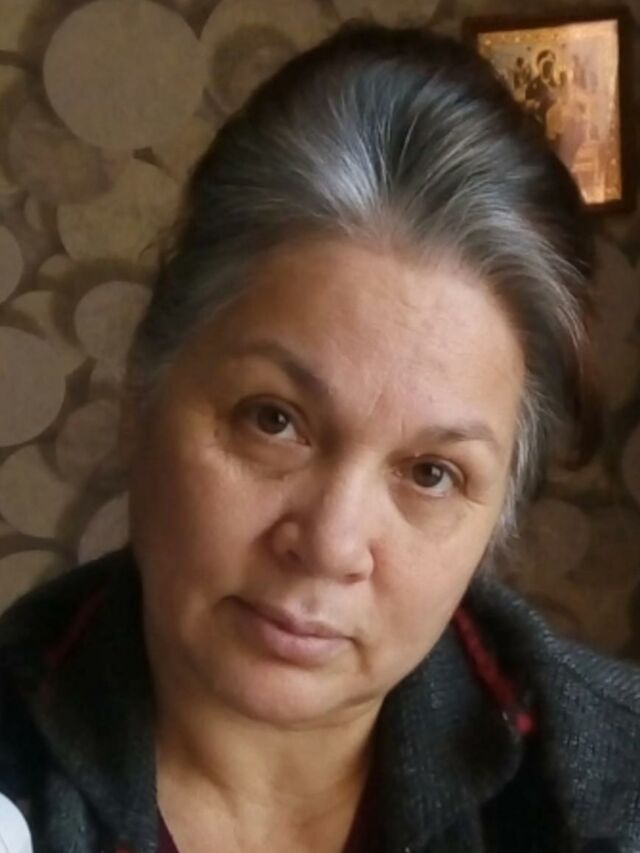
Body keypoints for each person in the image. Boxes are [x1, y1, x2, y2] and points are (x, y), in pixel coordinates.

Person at [0, 21, 639, 853]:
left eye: (432, 472)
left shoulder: (611, 789)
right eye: (274, 420)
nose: (331, 544)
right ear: (143, 392)